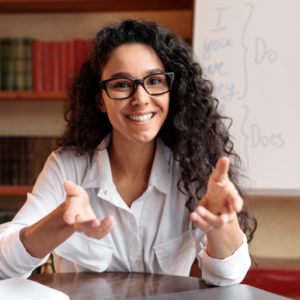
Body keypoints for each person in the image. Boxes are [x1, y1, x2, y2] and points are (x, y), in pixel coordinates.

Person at [0, 20, 257, 285]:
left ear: (173, 93)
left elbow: (228, 278)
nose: (141, 98)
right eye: (122, 84)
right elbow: (2, 267)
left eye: (155, 81)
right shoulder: (66, 167)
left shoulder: (194, 171)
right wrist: (60, 222)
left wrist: (221, 224)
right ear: (100, 99)